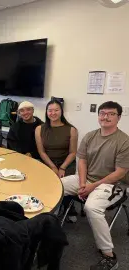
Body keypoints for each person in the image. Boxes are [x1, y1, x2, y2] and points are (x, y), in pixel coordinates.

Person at [61, 101, 129, 270]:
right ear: (98, 116)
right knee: (57, 186)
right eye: (102, 113)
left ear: (118, 117)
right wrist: (83, 183)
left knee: (91, 208)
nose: (105, 117)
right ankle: (47, 227)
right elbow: (82, 161)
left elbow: (120, 172)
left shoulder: (124, 141)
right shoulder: (90, 135)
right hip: (88, 179)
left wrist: (91, 187)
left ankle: (109, 256)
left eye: (111, 114)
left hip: (113, 184)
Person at [35, 100, 78, 178]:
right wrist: (53, 167)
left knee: (62, 184)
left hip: (66, 164)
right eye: (50, 110)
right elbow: (41, 152)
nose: (53, 113)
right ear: (46, 112)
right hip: (47, 162)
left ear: (61, 111)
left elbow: (73, 153)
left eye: (56, 110)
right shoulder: (39, 129)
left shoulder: (72, 130)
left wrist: (62, 167)